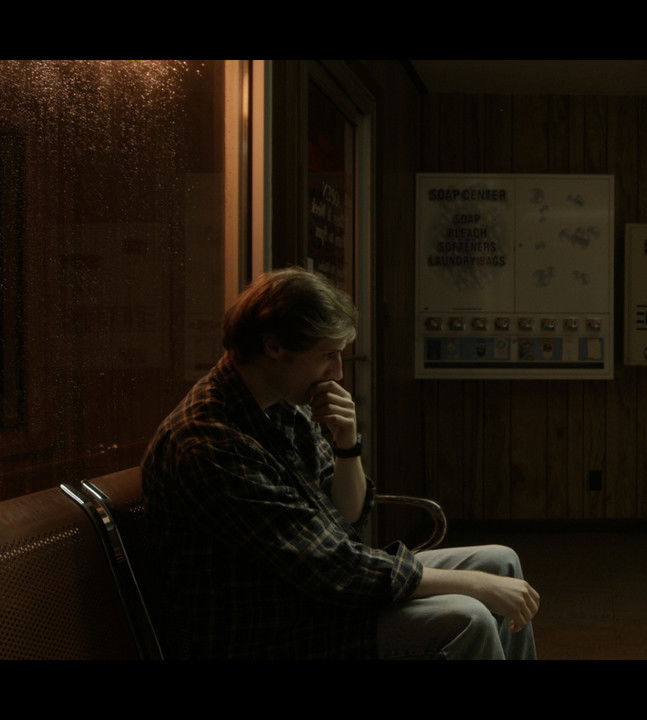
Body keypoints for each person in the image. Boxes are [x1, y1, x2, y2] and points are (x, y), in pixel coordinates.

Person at [141, 267, 538, 659]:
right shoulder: (210, 443)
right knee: (467, 616)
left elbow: (346, 519)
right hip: (267, 628)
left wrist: (347, 445)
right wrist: (474, 586)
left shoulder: (281, 405)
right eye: (327, 355)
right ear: (275, 346)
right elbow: (333, 568)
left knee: (499, 563)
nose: (338, 372)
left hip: (311, 595)